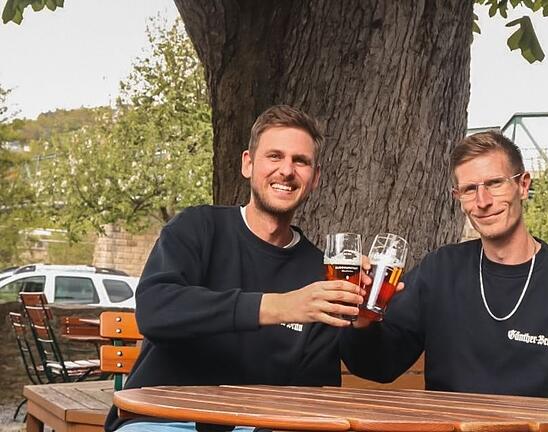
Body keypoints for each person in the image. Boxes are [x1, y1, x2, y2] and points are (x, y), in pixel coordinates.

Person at [106, 105, 365, 432]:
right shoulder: (197, 227)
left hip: (255, 428)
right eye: (274, 156)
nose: (286, 170)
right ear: (248, 164)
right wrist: (278, 306)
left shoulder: (321, 273)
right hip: (164, 420)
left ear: (315, 179)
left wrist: (364, 321)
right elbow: (156, 309)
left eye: (300, 161)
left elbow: (314, 391)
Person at [341, 130, 548, 403]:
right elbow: (379, 366)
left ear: (523, 185)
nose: (483, 201)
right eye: (470, 189)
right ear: (457, 196)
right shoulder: (440, 270)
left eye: (495, 183)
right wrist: (364, 322)